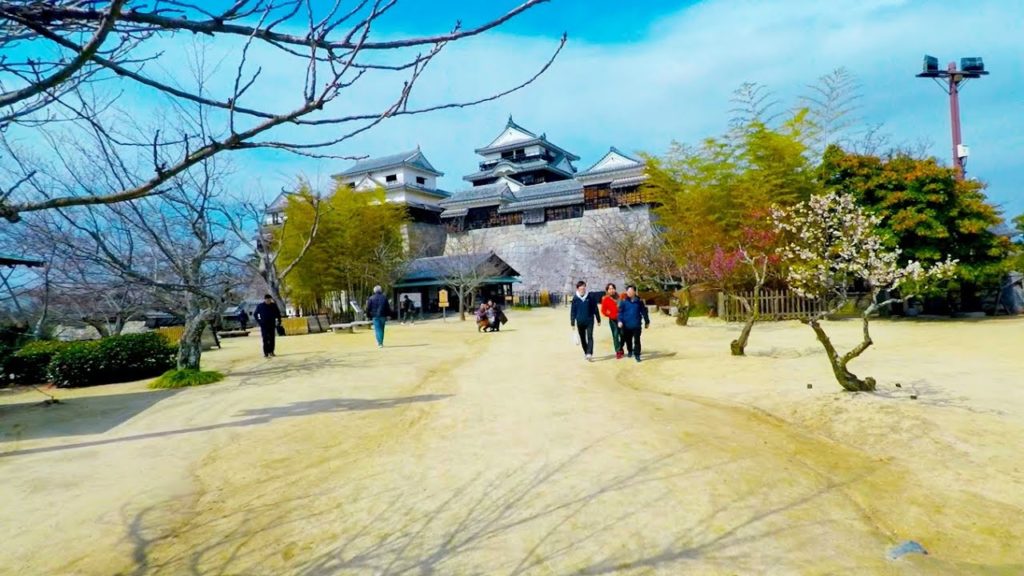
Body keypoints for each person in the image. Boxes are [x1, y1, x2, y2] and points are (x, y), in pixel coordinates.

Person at [618, 285, 651, 362]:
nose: (628, 293)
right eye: (627, 291)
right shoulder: (624, 302)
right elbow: (620, 313)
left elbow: (644, 312)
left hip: (636, 325)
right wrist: (620, 321)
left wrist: (647, 321)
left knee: (637, 340)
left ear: (634, 292)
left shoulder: (639, 302)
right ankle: (630, 351)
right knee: (628, 340)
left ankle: (637, 355)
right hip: (626, 325)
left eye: (630, 291)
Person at [570, 280, 601, 361]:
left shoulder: (590, 297)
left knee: (590, 336)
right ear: (577, 288)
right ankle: (586, 352)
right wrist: (572, 322)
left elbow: (595, 308)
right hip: (580, 322)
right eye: (581, 287)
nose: (582, 288)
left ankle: (589, 353)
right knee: (583, 338)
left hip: (589, 321)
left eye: (584, 287)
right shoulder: (575, 298)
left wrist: (598, 319)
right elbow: (573, 311)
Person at [601, 283, 624, 359]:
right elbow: (603, 310)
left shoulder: (620, 297)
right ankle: (618, 351)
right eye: (609, 289)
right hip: (613, 320)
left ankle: (621, 347)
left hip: (621, 320)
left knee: (623, 334)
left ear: (615, 289)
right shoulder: (605, 299)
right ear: (607, 291)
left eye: (612, 288)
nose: (611, 290)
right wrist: (610, 314)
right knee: (615, 335)